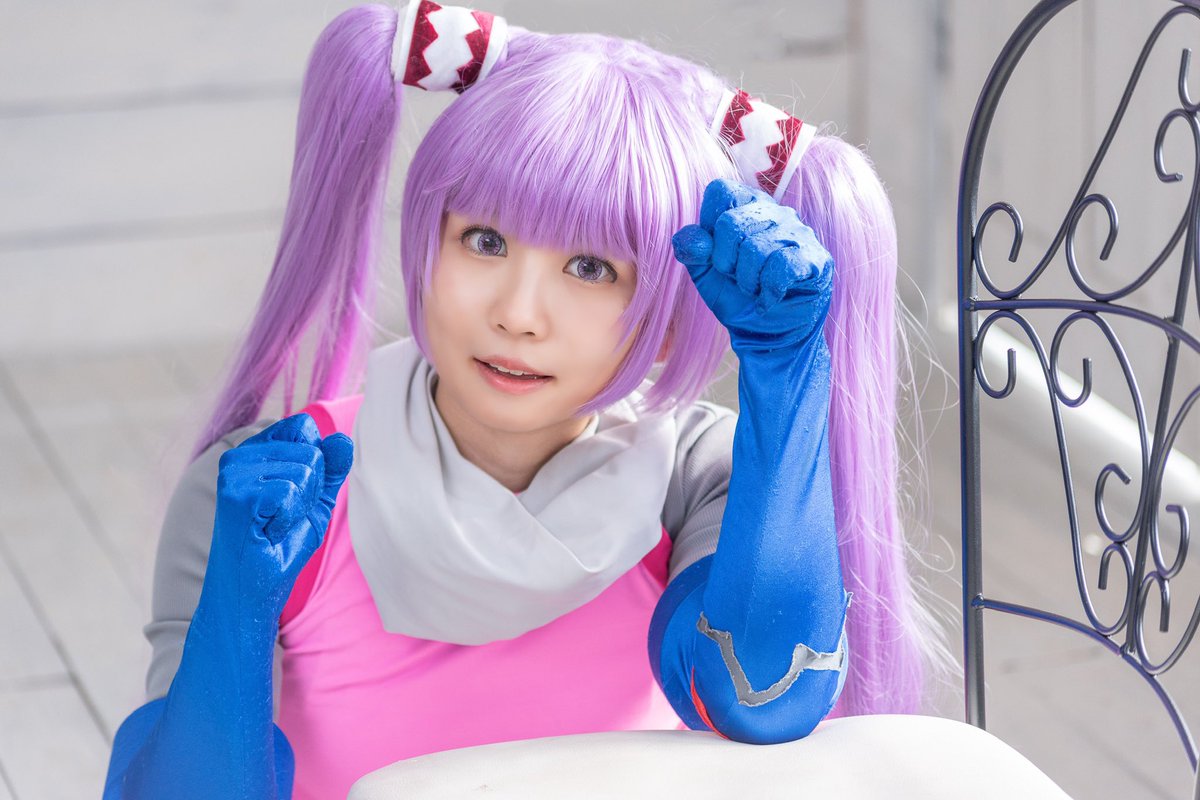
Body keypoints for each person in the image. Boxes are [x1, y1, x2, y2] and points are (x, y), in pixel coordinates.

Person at [102, 3, 939, 798]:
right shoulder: (277, 494)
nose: (517, 314)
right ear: (426, 243)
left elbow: (760, 701)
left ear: (668, 308)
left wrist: (787, 379)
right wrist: (238, 609)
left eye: (591, 267)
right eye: (485, 240)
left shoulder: (696, 477)